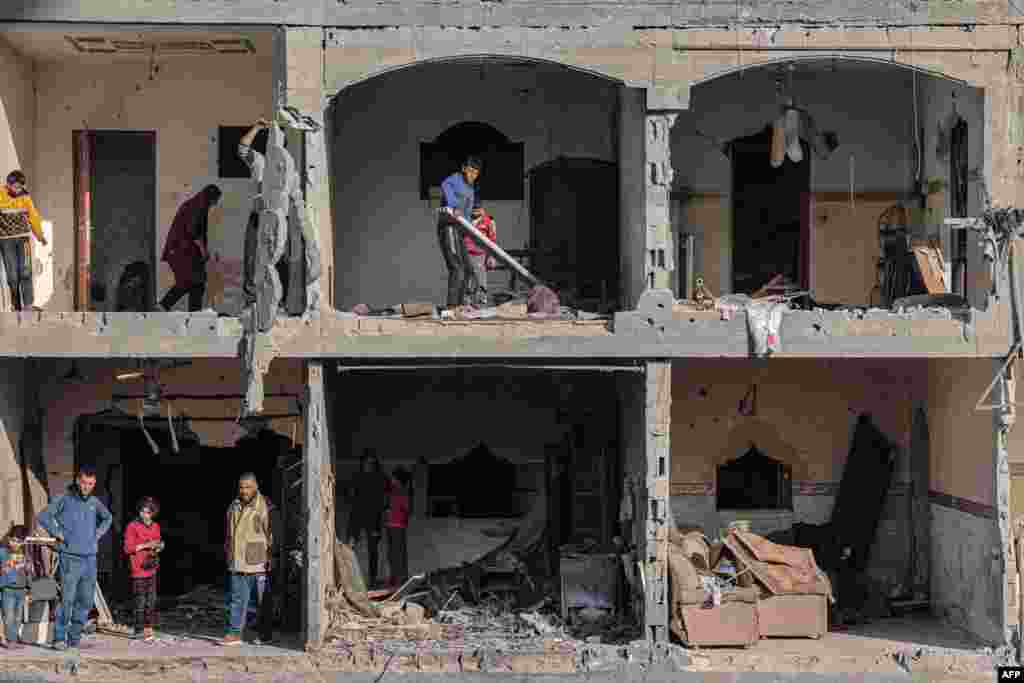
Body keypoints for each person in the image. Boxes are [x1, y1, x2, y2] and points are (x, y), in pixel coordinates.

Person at [37, 465, 113, 651]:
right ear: (78, 481)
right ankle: (59, 638)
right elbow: (44, 516)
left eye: (91, 484)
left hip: (90, 558)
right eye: (85, 483)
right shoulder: (64, 499)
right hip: (70, 557)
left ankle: (74, 638)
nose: (87, 487)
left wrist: (97, 535)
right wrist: (57, 533)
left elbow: (108, 518)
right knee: (68, 599)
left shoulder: (95, 502)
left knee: (86, 600)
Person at [223, 472, 278, 645]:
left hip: (258, 561)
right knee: (237, 599)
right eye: (241, 487)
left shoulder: (266, 506)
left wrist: (273, 556)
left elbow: (273, 534)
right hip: (237, 560)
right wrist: (228, 552)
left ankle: (265, 635)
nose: (244, 490)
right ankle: (234, 633)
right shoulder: (234, 505)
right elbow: (229, 533)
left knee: (263, 601)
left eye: (248, 487)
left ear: (255, 487)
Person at [157, 184, 222, 312]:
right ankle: (163, 306)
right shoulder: (198, 206)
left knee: (195, 283)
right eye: (216, 200)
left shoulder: (194, 204)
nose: (215, 204)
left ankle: (192, 314)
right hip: (182, 251)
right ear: (211, 197)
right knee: (190, 282)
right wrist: (204, 251)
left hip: (183, 251)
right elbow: (194, 231)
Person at [437, 157, 482, 310]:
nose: (472, 176)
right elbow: (445, 185)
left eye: (475, 173)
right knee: (457, 268)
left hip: (460, 231)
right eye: (470, 171)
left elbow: (468, 212)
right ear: (464, 168)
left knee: (469, 270)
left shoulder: (471, 189)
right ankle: (452, 307)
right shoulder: (455, 179)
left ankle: (461, 305)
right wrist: (453, 205)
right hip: (448, 226)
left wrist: (475, 215)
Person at [0, 170, 47, 311]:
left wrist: (39, 235)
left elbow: (33, 216)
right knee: (13, 276)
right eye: (15, 186)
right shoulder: (1, 195)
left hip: (23, 240)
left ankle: (28, 305)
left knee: (25, 272)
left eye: (20, 187)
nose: (18, 190)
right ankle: (16, 306)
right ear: (8, 185)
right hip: (6, 240)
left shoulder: (25, 196)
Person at [345, 449, 389, 587]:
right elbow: (350, 495)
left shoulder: (379, 477)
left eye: (371, 462)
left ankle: (373, 580)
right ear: (362, 462)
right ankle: (347, 578)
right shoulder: (357, 476)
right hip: (357, 515)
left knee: (373, 550)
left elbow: (383, 501)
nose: (368, 465)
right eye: (366, 462)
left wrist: (379, 523)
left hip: (373, 518)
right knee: (350, 546)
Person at [123, 497, 162, 641]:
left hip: (151, 567)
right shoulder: (132, 526)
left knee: (151, 601)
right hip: (138, 569)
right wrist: (145, 545)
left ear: (153, 513)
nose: (144, 515)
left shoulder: (155, 526)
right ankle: (138, 629)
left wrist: (158, 546)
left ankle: (148, 628)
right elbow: (128, 548)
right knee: (140, 601)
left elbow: (157, 543)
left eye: (148, 512)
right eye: (142, 511)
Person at [0, 524, 33, 649]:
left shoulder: (25, 554)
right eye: (13, 540)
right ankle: (10, 640)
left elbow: (29, 573)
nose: (15, 543)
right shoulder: (3, 552)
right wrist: (10, 566)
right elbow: (4, 569)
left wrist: (29, 589)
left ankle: (13, 638)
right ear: (8, 539)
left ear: (23, 542)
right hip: (8, 589)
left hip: (21, 590)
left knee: (18, 617)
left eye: (18, 541)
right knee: (8, 616)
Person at [384, 468, 411, 590]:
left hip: (398, 526)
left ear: (398, 479)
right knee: (392, 555)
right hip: (391, 525)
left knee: (398, 554)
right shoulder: (392, 491)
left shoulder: (402, 491)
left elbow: (407, 508)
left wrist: (396, 512)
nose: (392, 479)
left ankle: (400, 581)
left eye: (393, 478)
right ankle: (394, 580)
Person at [465, 204, 497, 307]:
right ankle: (467, 302)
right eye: (473, 209)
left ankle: (481, 302)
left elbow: (492, 240)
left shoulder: (489, 221)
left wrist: (491, 256)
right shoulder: (466, 219)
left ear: (482, 209)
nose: (475, 211)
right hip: (466, 253)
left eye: (477, 209)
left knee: (480, 278)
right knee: (468, 278)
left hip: (480, 254)